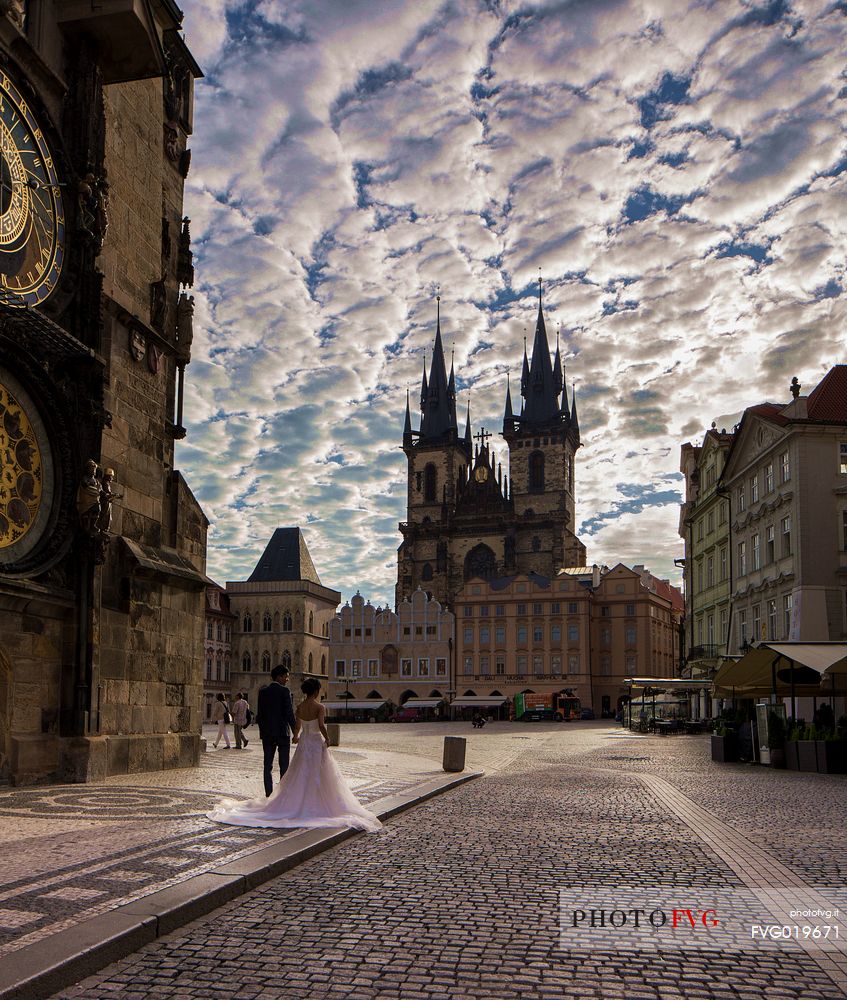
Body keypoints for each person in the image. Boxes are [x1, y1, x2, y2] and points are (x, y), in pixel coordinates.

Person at [207, 679, 382, 833]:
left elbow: (297, 726)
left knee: (299, 772)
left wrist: (297, 736)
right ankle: (316, 802)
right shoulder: (320, 707)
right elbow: (321, 725)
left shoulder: (300, 707)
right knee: (319, 773)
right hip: (315, 742)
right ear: (316, 691)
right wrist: (327, 738)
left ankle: (297, 801)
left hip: (304, 742)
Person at [257, 665, 297, 796]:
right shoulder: (285, 691)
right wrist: (295, 731)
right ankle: (282, 795)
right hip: (282, 733)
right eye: (286, 677)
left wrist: (263, 732)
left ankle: (269, 794)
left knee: (267, 766)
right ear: (279, 676)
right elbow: (289, 713)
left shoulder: (263, 692)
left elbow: (260, 715)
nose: (287, 679)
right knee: (284, 766)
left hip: (268, 734)